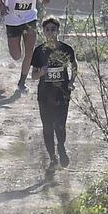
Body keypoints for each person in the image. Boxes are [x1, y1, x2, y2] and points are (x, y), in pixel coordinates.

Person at [30, 16, 80, 175]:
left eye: (53, 29)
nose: (50, 32)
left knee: (60, 125)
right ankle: (53, 158)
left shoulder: (66, 49)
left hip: (62, 93)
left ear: (58, 30)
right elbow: (33, 75)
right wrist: (41, 72)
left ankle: (61, 146)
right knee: (47, 127)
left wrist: (71, 81)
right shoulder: (39, 51)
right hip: (44, 95)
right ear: (43, 32)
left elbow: (75, 65)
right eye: (47, 30)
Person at [0, 0, 51, 94]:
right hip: (12, 19)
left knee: (29, 52)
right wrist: (2, 4)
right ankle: (19, 58)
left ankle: (22, 82)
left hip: (30, 18)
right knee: (16, 55)